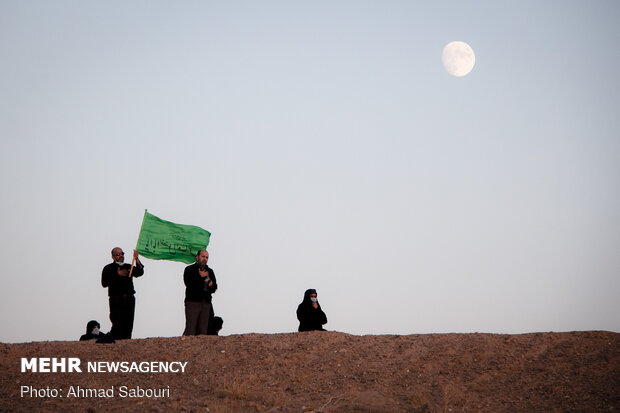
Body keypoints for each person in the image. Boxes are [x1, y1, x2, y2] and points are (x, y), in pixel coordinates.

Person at [101, 248, 144, 340]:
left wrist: (136, 259)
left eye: (122, 253)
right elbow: (104, 283)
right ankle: (115, 341)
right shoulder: (108, 268)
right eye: (118, 254)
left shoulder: (129, 266)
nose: (121, 256)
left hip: (129, 299)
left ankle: (126, 342)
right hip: (116, 299)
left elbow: (140, 272)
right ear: (113, 257)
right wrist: (117, 275)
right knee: (117, 322)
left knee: (128, 323)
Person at [183, 250, 217, 335]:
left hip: (206, 303)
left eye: (207, 257)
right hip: (193, 302)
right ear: (197, 257)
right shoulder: (189, 269)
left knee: (203, 332)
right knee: (191, 329)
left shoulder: (210, 271)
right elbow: (189, 284)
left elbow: (214, 288)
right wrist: (201, 277)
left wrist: (207, 278)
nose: (205, 259)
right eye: (203, 256)